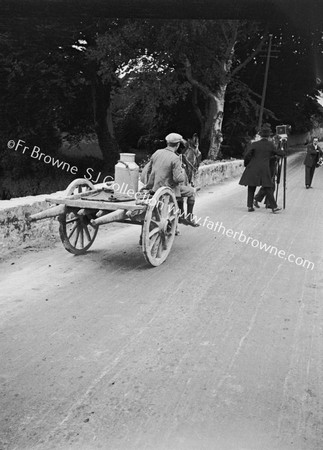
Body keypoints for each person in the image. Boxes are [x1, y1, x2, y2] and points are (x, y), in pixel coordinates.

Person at [142, 132, 200, 227]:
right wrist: (181, 171)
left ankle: (180, 216)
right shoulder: (175, 158)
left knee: (181, 190)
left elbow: (149, 170)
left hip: (154, 188)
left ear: (167, 143)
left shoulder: (157, 153)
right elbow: (178, 179)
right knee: (192, 192)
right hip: (168, 189)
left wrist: (149, 185)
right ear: (177, 145)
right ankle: (189, 218)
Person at [239, 123, 286, 213]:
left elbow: (247, 155)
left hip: (253, 167)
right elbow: (278, 153)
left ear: (260, 136)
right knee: (268, 186)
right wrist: (283, 149)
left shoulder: (254, 144)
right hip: (264, 168)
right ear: (268, 136)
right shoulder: (270, 145)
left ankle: (249, 206)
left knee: (251, 187)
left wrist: (247, 165)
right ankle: (274, 207)